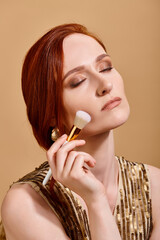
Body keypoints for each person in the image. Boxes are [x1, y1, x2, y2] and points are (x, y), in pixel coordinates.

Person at [0, 23, 160, 240]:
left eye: (106, 67)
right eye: (78, 81)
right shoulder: (26, 204)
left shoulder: (155, 185)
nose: (105, 83)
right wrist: (96, 201)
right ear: (51, 114)